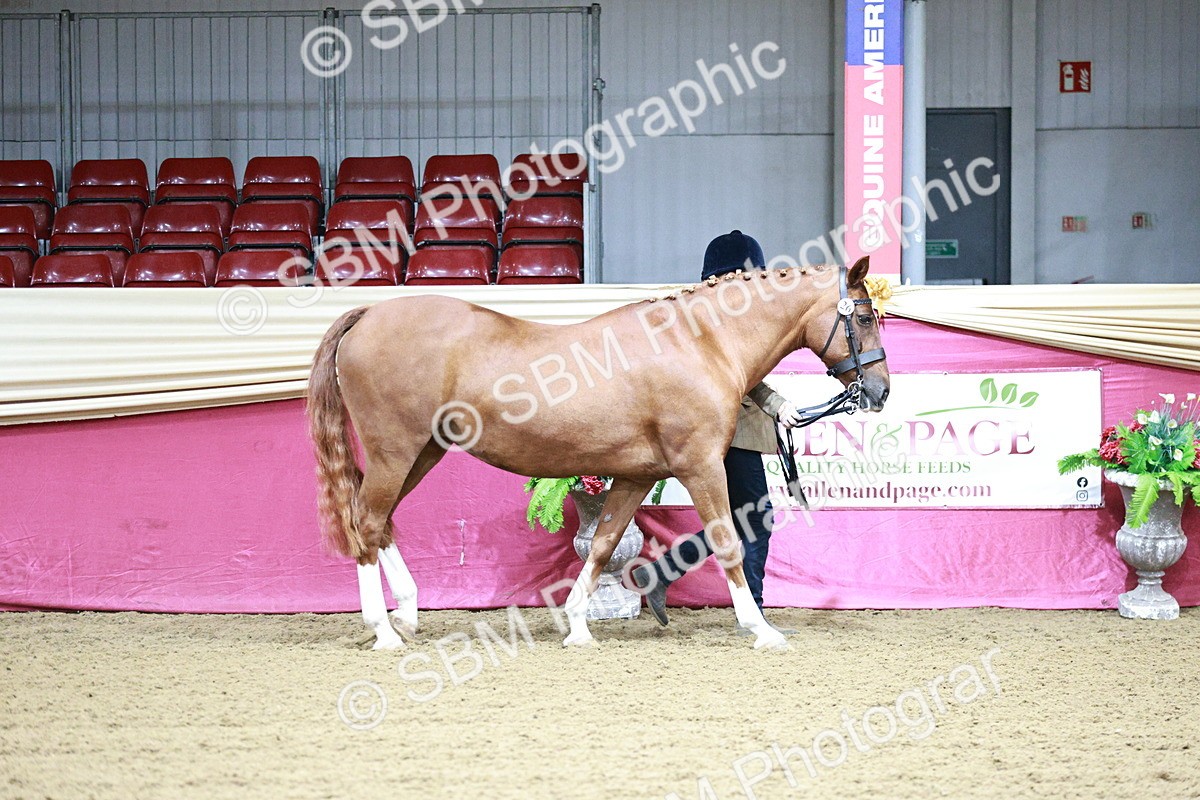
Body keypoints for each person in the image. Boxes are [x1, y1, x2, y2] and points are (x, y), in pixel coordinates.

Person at [631, 230, 803, 631]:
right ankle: (752, 613)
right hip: (730, 427)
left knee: (741, 518)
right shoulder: (721, 321)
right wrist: (778, 406)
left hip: (729, 426)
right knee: (756, 518)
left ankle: (663, 573)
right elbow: (744, 381)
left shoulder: (713, 315)